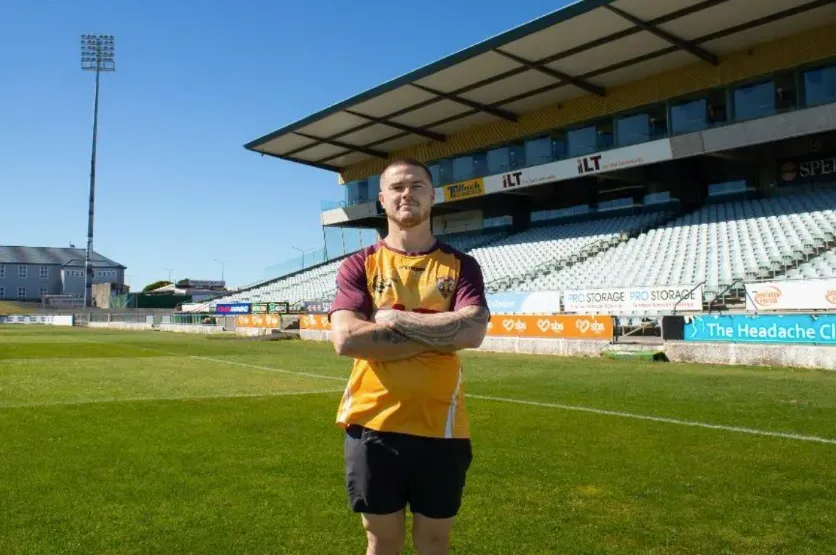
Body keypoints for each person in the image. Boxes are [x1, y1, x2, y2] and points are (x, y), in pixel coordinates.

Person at [328, 157, 490, 555]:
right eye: (397, 187)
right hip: (372, 426)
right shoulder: (359, 265)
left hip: (443, 427)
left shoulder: (462, 266)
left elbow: (473, 331)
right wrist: (440, 334)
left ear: (432, 197)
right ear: (382, 200)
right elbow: (347, 338)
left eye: (417, 186)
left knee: (435, 541)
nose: (407, 193)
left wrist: (392, 320)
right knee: (381, 540)